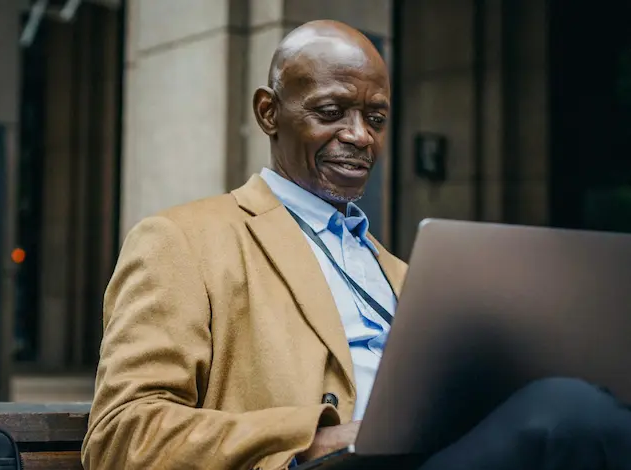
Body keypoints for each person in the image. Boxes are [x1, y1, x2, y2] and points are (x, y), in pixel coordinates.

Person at [82, 20, 631, 470]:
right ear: (269, 113)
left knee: (579, 407)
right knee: (569, 413)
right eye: (330, 112)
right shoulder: (184, 241)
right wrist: (316, 438)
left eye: (376, 118)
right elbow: (121, 435)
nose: (360, 135)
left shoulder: (407, 273)